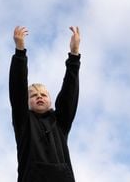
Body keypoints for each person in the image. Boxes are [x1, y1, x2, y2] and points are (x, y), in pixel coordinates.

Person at [9, 26, 81, 182]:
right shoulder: (23, 122)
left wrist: (74, 55)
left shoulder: (60, 122)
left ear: (49, 100)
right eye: (34, 95)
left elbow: (69, 93)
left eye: (43, 94)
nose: (39, 97)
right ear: (27, 102)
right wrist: (20, 52)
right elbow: (17, 90)